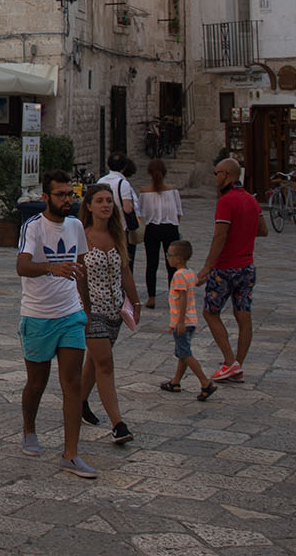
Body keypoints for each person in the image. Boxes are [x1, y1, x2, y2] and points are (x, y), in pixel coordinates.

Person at [16, 169, 94, 479]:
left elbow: (81, 269)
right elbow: (21, 265)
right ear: (46, 197)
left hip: (70, 314)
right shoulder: (33, 227)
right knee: (37, 383)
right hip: (37, 315)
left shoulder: (76, 226)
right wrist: (51, 267)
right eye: (61, 195)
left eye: (70, 195)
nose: (67, 200)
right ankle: (29, 429)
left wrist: (85, 310)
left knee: (72, 384)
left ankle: (71, 454)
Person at [75, 183, 139, 446]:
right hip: (91, 309)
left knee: (94, 361)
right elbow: (78, 275)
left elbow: (125, 270)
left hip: (115, 309)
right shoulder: (81, 236)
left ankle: (77, 404)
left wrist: (135, 300)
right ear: (89, 206)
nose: (106, 205)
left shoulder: (117, 234)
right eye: (100, 201)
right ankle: (118, 424)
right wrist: (85, 310)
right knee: (105, 363)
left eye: (109, 201)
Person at [196, 158, 262, 382]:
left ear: (225, 174)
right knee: (243, 315)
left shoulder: (226, 201)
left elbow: (220, 235)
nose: (215, 178)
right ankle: (238, 365)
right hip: (247, 266)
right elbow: (263, 230)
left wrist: (207, 267)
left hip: (225, 267)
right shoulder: (251, 200)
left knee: (210, 312)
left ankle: (229, 360)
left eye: (216, 173)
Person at [159, 240, 216, 400]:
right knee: (182, 352)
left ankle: (205, 383)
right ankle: (176, 382)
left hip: (182, 321)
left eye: (169, 255)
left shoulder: (178, 276)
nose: (167, 258)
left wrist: (180, 321)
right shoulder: (190, 273)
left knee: (185, 353)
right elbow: (197, 283)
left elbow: (182, 298)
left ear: (178, 258)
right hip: (191, 320)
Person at [137, 158, 183, 308]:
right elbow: (179, 213)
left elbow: (141, 214)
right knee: (173, 264)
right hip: (170, 228)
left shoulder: (144, 193)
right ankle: (173, 296)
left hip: (152, 229)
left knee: (152, 263)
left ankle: (151, 297)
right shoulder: (173, 191)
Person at [95, 154, 143, 271]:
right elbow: (127, 208)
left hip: (104, 227)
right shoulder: (123, 183)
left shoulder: (101, 181)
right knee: (125, 264)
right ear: (124, 167)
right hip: (121, 228)